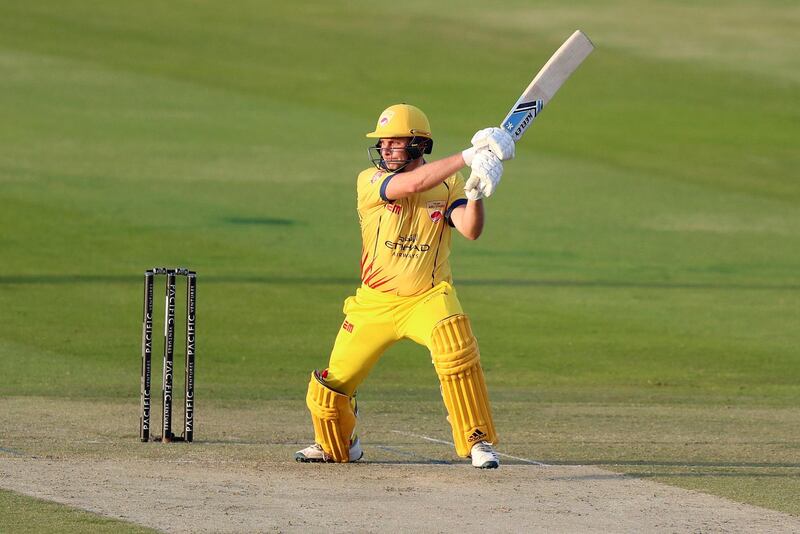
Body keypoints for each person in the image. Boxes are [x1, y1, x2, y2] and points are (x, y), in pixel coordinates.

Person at [295, 103, 514, 468]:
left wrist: (476, 194)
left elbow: (470, 230)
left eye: (394, 143)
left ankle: (478, 442)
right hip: (374, 303)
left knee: (455, 348)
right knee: (331, 387)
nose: (385, 149)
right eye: (383, 143)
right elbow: (413, 184)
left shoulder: (449, 185)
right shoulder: (369, 180)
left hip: (427, 297)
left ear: (418, 145)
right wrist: (469, 154)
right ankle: (341, 444)